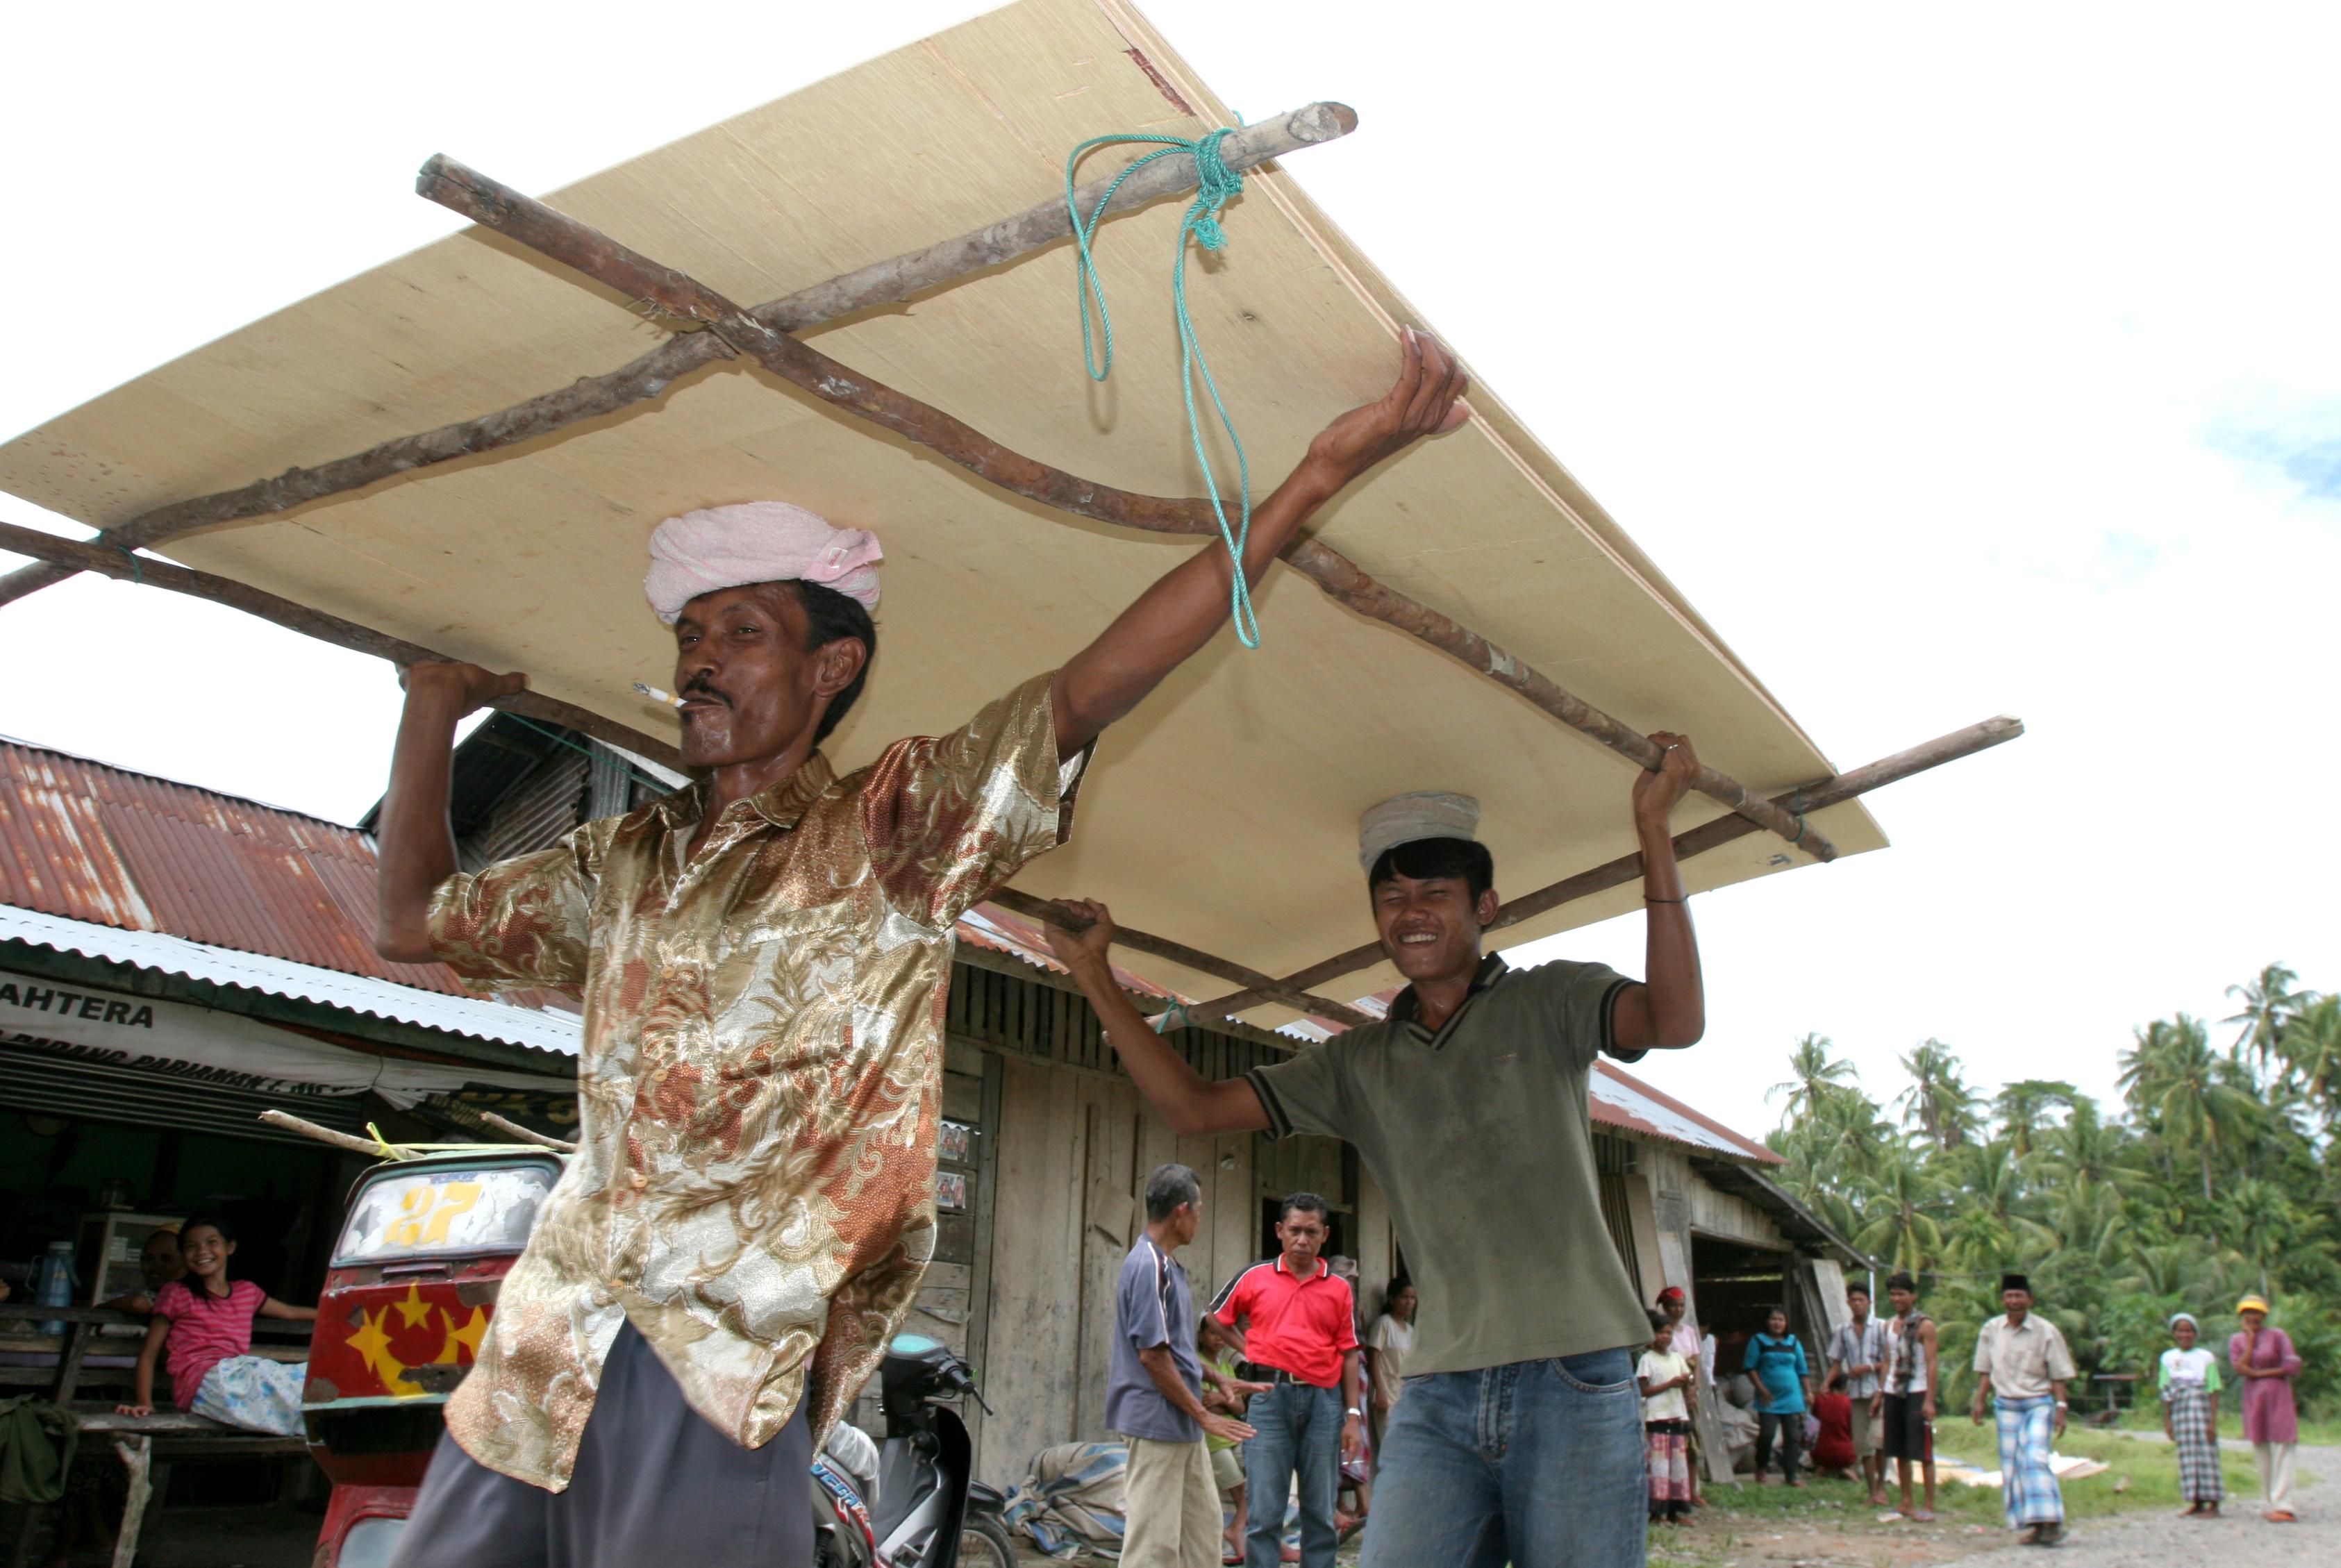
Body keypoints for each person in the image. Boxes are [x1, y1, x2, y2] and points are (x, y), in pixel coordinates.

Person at [369, 333, 1472, 1568]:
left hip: (717, 1363)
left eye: (741, 631)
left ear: (831, 665)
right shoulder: (620, 862)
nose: (698, 659)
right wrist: (427, 709)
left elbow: (1089, 688)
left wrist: (1312, 479)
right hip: (538, 1349)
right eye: (690, 633)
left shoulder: (887, 833)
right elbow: (408, 921)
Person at [1042, 733, 1708, 1568]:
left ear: (1485, 905)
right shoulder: (1357, 1061)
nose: (1411, 911)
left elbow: (1675, 1021)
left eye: (1435, 890)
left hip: (1571, 1373)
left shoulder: (1551, 999)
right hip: (1439, 1387)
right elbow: (1191, 1105)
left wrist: (1653, 828)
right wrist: (1091, 970)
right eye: (1390, 895)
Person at [1113, 1165, 1260, 1568]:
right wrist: (1204, 1414)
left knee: (1202, 1533)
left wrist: (1216, 1377)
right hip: (1157, 1420)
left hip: (1182, 1422)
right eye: (1198, 1209)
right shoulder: (1149, 1267)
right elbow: (1152, 1356)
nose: (1199, 1218)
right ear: (1181, 1211)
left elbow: (1176, 1351)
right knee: (1153, 1544)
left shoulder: (1169, 1266)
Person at [1208, 1196, 1363, 1568]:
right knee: (1264, 1514)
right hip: (1268, 1399)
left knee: (1321, 1512)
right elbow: (1213, 1317)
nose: (1302, 1240)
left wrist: (1353, 1414)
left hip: (1324, 1404)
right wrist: (1246, 1348)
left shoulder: (1339, 1288)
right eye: (1294, 1230)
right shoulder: (1255, 1276)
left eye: (1311, 1232)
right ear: (1280, 1232)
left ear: (1324, 1235)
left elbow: (1349, 1354)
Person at [115, 1217, 316, 1434]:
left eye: (211, 1243)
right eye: (192, 1246)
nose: (202, 1251)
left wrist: (344, 1311)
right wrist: (146, 1403)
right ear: (183, 1255)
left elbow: (290, 1312)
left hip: (238, 1375)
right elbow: (149, 1354)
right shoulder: (176, 1293)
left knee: (306, 1377)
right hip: (204, 1382)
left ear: (230, 1247)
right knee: (276, 1380)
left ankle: (331, 1427)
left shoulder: (246, 1292)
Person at [1970, 1272, 2074, 1548]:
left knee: (2035, 1457)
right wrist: (1980, 1402)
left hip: (2038, 1403)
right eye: (2009, 1296)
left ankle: (2053, 1521)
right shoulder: (1991, 1330)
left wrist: (2061, 1406)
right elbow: (1985, 1371)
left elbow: (2058, 1375)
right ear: (2003, 1300)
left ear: (2030, 1300)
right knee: (2013, 1467)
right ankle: (2037, 1526)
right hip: (2006, 1405)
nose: (2014, 1301)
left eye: (2019, 1296)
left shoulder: (2046, 1331)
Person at [2229, 1293, 2302, 1523]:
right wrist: (2250, 1340)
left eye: (2258, 1313)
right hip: (2254, 1397)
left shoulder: (2278, 1336)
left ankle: (2284, 1503)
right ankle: (2270, 1500)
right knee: (2260, 1446)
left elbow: (2292, 1366)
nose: (2254, 1317)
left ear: (2264, 1315)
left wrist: (2260, 1373)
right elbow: (2240, 1367)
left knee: (2283, 1444)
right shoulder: (2237, 1340)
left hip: (2278, 1393)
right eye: (2249, 1312)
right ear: (2242, 1316)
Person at [1881, 1270, 1939, 1521]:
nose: (1897, 1299)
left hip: (1917, 1391)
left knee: (1923, 1451)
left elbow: (1932, 1362)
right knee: (1899, 1449)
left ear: (1912, 1296)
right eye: (1893, 1294)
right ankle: (1906, 1501)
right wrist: (1879, 1392)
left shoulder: (1925, 1325)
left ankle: (1928, 1504)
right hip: (1894, 1391)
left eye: (1902, 1294)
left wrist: (1929, 1400)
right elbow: (1886, 1361)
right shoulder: (1888, 1326)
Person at [1826, 1281, 1890, 1505]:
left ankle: (1882, 1487)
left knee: (1880, 1441)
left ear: (1869, 1303)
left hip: (1877, 1390)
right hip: (1855, 1394)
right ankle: (1873, 1492)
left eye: (1861, 1300)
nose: (1857, 1304)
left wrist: (1869, 1368)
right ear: (1848, 1303)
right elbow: (1836, 1361)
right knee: (1863, 1445)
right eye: (1853, 1300)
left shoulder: (1882, 1328)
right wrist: (1826, 1384)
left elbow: (1890, 1362)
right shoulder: (1843, 1331)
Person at [1199, 1313, 1253, 1565]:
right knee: (1241, 1487)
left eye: (1222, 1334)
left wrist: (1223, 1400)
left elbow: (1239, 1407)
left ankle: (1237, 1530)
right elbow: (1204, 1405)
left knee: (1257, 1478)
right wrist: (1226, 1403)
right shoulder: (1196, 1364)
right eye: (1212, 1333)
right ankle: (1236, 1533)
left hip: (1234, 1434)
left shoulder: (1227, 1367)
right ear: (1200, 1336)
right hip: (1212, 1439)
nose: (1219, 1339)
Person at [2159, 1312, 2223, 1518]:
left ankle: (2213, 1504)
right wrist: (2168, 1421)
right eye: (2180, 1330)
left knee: (2207, 1454)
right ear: (2174, 1334)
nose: (2184, 1334)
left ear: (2195, 1333)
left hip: (2201, 1408)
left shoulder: (2205, 1357)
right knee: (2187, 1455)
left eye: (2188, 1330)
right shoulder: (2168, 1358)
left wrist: (2213, 1422)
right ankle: (2196, 1501)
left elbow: (2213, 1389)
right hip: (2180, 1410)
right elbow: (2166, 1389)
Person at [1637, 1310, 1695, 1527]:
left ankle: (1675, 1512)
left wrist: (1687, 1381)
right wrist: (1670, 1384)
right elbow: (1643, 1391)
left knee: (1678, 1468)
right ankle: (1656, 1514)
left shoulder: (1678, 1359)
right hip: (1656, 1419)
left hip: (1676, 1416)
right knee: (1659, 1469)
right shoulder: (1647, 1360)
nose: (1666, 1337)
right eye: (1661, 1332)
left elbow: (1688, 1378)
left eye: (1669, 1333)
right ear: (1652, 1335)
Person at [1743, 1309, 1811, 1486]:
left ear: (1786, 1323)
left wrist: (1809, 1392)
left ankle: (1792, 1474)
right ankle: (1762, 1467)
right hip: (1768, 1398)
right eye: (1774, 1319)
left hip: (1792, 1397)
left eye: (1781, 1319)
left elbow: (1802, 1370)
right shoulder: (1758, 1341)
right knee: (1767, 1434)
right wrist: (1761, 1389)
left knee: (1792, 1436)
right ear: (1767, 1322)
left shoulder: (1793, 1342)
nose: (1777, 1323)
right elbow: (1750, 1368)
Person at [1654, 1287, 1706, 1505]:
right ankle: (1671, 1492)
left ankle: (1693, 1491)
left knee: (1692, 1441)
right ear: (1665, 1307)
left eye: (1682, 1305)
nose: (1678, 1309)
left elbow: (1696, 1361)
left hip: (1688, 1391)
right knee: (1671, 1441)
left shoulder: (1689, 1333)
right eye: (1674, 1305)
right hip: (1669, 1391)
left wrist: (1696, 1386)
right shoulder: (1662, 1333)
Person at [1365, 1278, 1416, 1478]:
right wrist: (1380, 1391)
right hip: (1386, 1393)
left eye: (1412, 1298)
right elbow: (1373, 1356)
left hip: (1403, 1393)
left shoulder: (1410, 1330)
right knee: (1390, 1445)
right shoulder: (1384, 1324)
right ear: (1392, 1298)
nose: (1409, 1302)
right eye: (1404, 1297)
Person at [98, 1224, 184, 1316]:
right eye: (149, 1259)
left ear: (186, 1264)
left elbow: (138, 1304)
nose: (155, 1267)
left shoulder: (191, 1303)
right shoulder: (154, 1299)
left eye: (167, 1259)